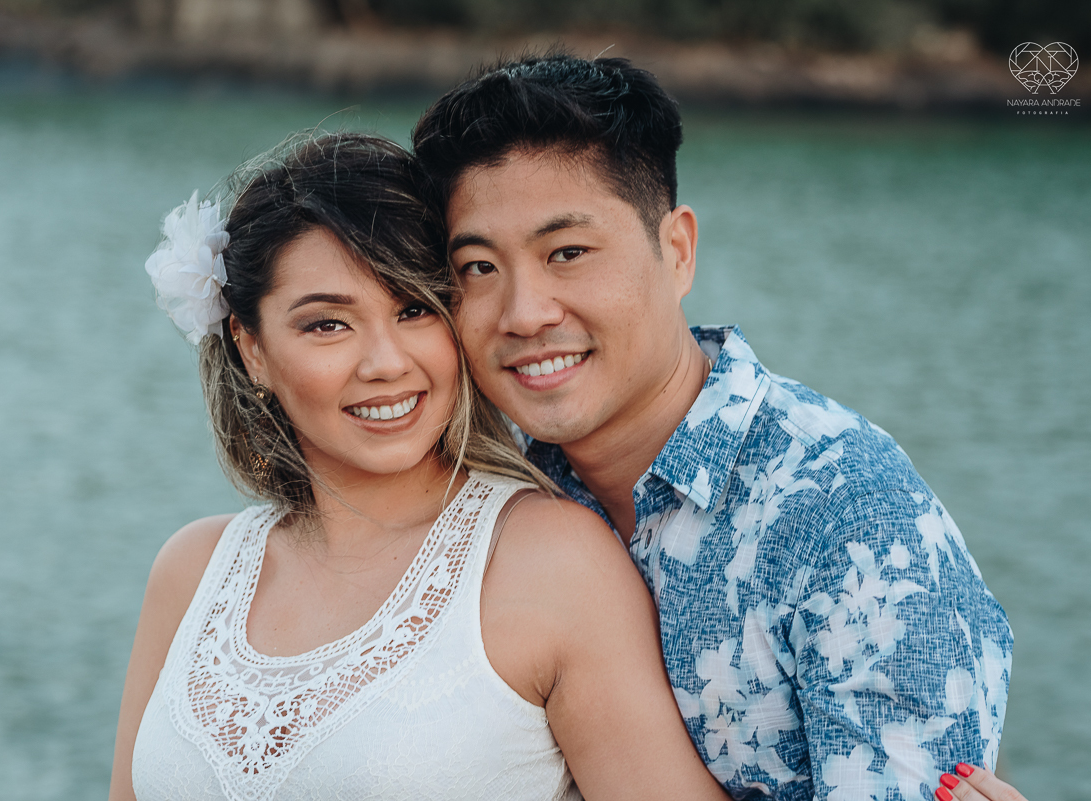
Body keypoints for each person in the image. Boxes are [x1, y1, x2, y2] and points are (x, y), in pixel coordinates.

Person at [411, 53, 1017, 800]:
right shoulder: (500, 500)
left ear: (676, 251)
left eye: (567, 252)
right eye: (477, 267)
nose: (524, 312)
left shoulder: (845, 514)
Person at [108, 133, 732, 800]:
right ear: (252, 348)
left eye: (414, 310)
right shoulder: (193, 569)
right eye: (327, 325)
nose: (385, 362)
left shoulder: (553, 562)